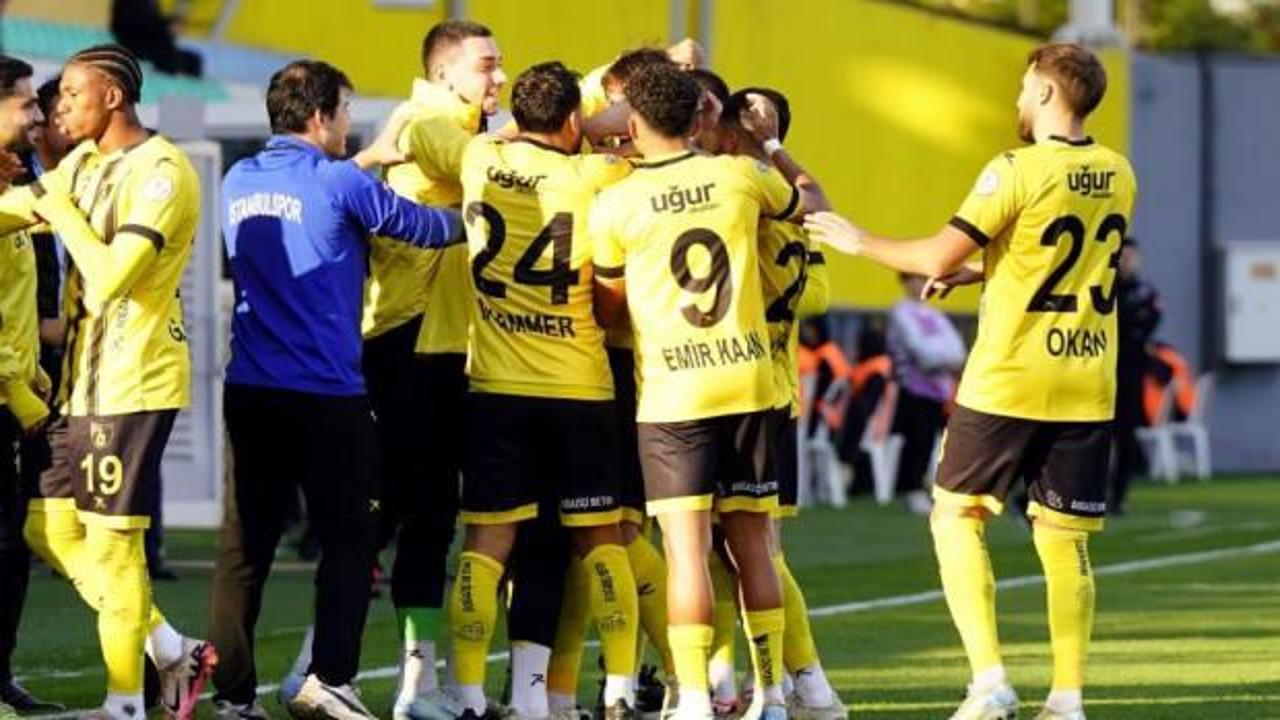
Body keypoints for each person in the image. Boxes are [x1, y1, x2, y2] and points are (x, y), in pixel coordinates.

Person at [805, 43, 1136, 720]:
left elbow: (933, 254)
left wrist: (857, 239)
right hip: (1086, 376)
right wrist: (981, 269)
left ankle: (990, 682)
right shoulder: (1118, 170)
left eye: (1023, 87)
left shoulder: (1015, 168)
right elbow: (1059, 252)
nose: (1018, 99)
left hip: (1010, 376)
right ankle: (1067, 700)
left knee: (955, 515)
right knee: (1064, 539)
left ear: (1047, 93)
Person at [210, 59, 463, 720]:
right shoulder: (339, 182)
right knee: (351, 538)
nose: (350, 123)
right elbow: (424, 228)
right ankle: (330, 678)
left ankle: (233, 697)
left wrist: (366, 160)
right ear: (322, 116)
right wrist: (484, 211)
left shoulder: (239, 179)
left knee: (244, 550)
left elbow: (312, 198)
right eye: (345, 111)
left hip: (250, 389)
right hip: (327, 395)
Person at [591, 63, 828, 720]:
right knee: (755, 546)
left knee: (687, 554)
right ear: (699, 117)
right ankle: (772, 695)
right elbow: (812, 204)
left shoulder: (616, 201)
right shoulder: (739, 176)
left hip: (674, 394)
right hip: (749, 382)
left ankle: (695, 698)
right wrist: (772, 143)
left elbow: (608, 309)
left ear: (634, 123)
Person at [407, 60, 641, 720]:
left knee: (486, 544)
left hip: (496, 388)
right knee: (600, 540)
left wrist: (510, 128)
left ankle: (469, 696)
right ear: (570, 120)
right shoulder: (597, 174)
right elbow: (641, 132)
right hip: (580, 387)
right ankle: (620, 690)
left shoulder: (480, 157)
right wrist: (592, 125)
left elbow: (425, 132)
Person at [0, 43, 219, 720]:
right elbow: (20, 206)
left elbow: (112, 274)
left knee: (115, 547)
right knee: (47, 528)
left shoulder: (163, 171)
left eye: (70, 93)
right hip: (81, 385)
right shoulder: (85, 165)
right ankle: (169, 646)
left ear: (112, 97)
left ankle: (125, 703)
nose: (57, 107)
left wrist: (57, 210)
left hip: (133, 381)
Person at [332, 23, 506, 720]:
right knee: (414, 514)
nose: (499, 78)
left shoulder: (463, 124)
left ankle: (364, 672)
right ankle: (397, 682)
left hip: (450, 346)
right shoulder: (427, 122)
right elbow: (484, 167)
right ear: (443, 76)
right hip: (412, 346)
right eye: (486, 66)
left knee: (427, 515)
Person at [0, 54, 64, 718]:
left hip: (16, 393)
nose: (37, 115)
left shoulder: (17, 177)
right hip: (4, 397)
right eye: (25, 102)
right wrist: (16, 389)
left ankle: (1, 674)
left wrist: (34, 374)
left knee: (10, 544)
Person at [886, 272, 966, 514]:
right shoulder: (900, 312)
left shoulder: (935, 315)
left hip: (938, 391)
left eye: (924, 279)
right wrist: (946, 359)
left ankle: (925, 486)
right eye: (916, 279)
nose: (921, 284)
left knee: (932, 441)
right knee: (916, 440)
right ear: (905, 282)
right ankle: (910, 489)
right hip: (912, 387)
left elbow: (958, 350)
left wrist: (944, 358)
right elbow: (921, 351)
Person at [1112, 237, 1159, 513]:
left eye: (1131, 257)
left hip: (1130, 374)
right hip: (1104, 371)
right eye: (1124, 257)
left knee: (1126, 437)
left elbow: (1147, 322)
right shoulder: (1106, 289)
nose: (1128, 262)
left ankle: (1119, 496)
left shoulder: (1144, 292)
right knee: (1096, 437)